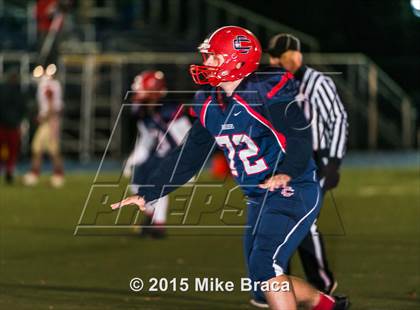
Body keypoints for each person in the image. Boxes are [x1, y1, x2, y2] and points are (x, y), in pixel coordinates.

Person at [111, 26, 348, 310]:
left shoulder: (265, 90)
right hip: (259, 197)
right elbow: (190, 154)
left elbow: (299, 135)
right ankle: (328, 306)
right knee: (262, 288)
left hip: (292, 190)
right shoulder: (210, 101)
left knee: (266, 265)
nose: (206, 63)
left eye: (213, 57)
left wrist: (288, 170)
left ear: (237, 60)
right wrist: (149, 192)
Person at [267, 33, 349, 295]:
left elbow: (337, 119)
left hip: (314, 158)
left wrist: (333, 162)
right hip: (284, 160)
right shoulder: (273, 83)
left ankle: (321, 283)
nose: (276, 61)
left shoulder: (317, 82)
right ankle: (282, 283)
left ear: (296, 55)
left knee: (302, 219)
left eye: (283, 55)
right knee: (280, 220)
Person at [124, 70, 191, 238]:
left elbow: (186, 136)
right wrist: (135, 157)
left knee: (157, 184)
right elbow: (146, 137)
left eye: (141, 89)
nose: (138, 92)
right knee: (136, 182)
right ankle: (151, 215)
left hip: (173, 155)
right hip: (158, 154)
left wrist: (186, 162)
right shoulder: (143, 110)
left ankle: (158, 225)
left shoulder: (170, 110)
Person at [23, 64, 65, 188]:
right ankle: (38, 173)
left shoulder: (48, 86)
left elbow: (52, 103)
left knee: (50, 149)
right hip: (49, 120)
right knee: (40, 148)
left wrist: (46, 116)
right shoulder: (51, 84)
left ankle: (57, 174)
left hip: (49, 121)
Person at [0, 70, 26, 184]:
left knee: (3, 148)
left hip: (2, 124)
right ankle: (9, 169)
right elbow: (22, 108)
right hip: (13, 125)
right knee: (12, 150)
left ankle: (4, 167)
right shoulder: (19, 91)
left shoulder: (1, 89)